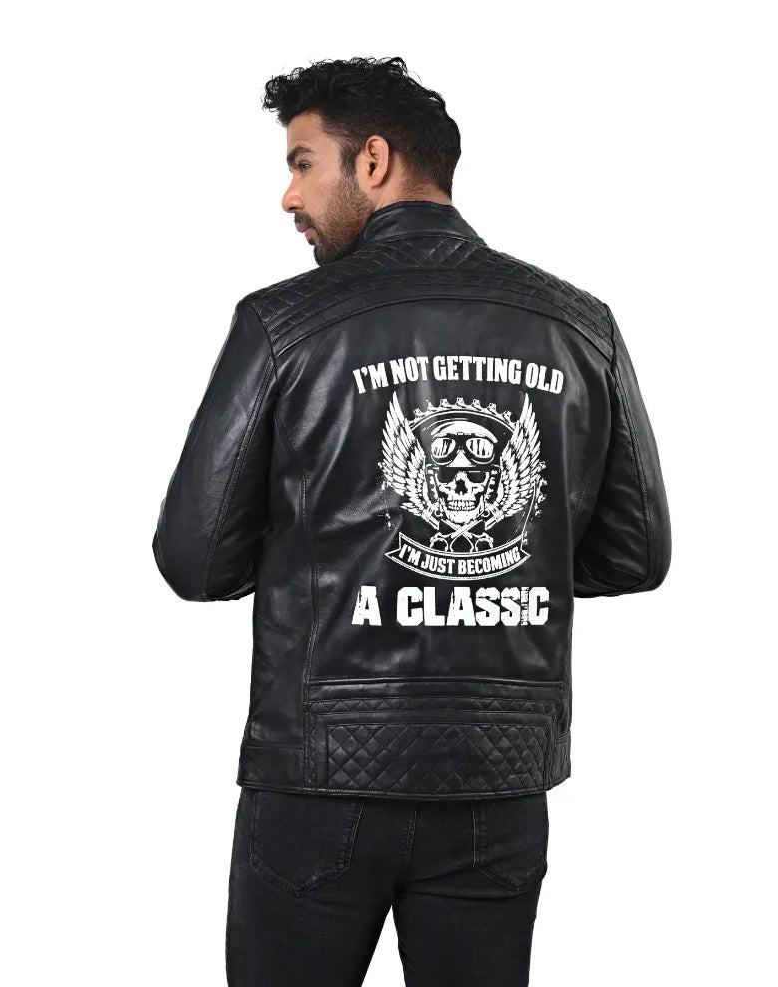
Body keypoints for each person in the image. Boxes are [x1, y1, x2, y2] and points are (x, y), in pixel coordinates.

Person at [151, 56, 671, 987]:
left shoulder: (284, 323)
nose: (287, 196)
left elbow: (195, 560)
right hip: (497, 778)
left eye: (302, 163)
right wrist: (506, 567)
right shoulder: (578, 324)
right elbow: (635, 554)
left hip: (318, 776)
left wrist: (324, 557)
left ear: (375, 161)